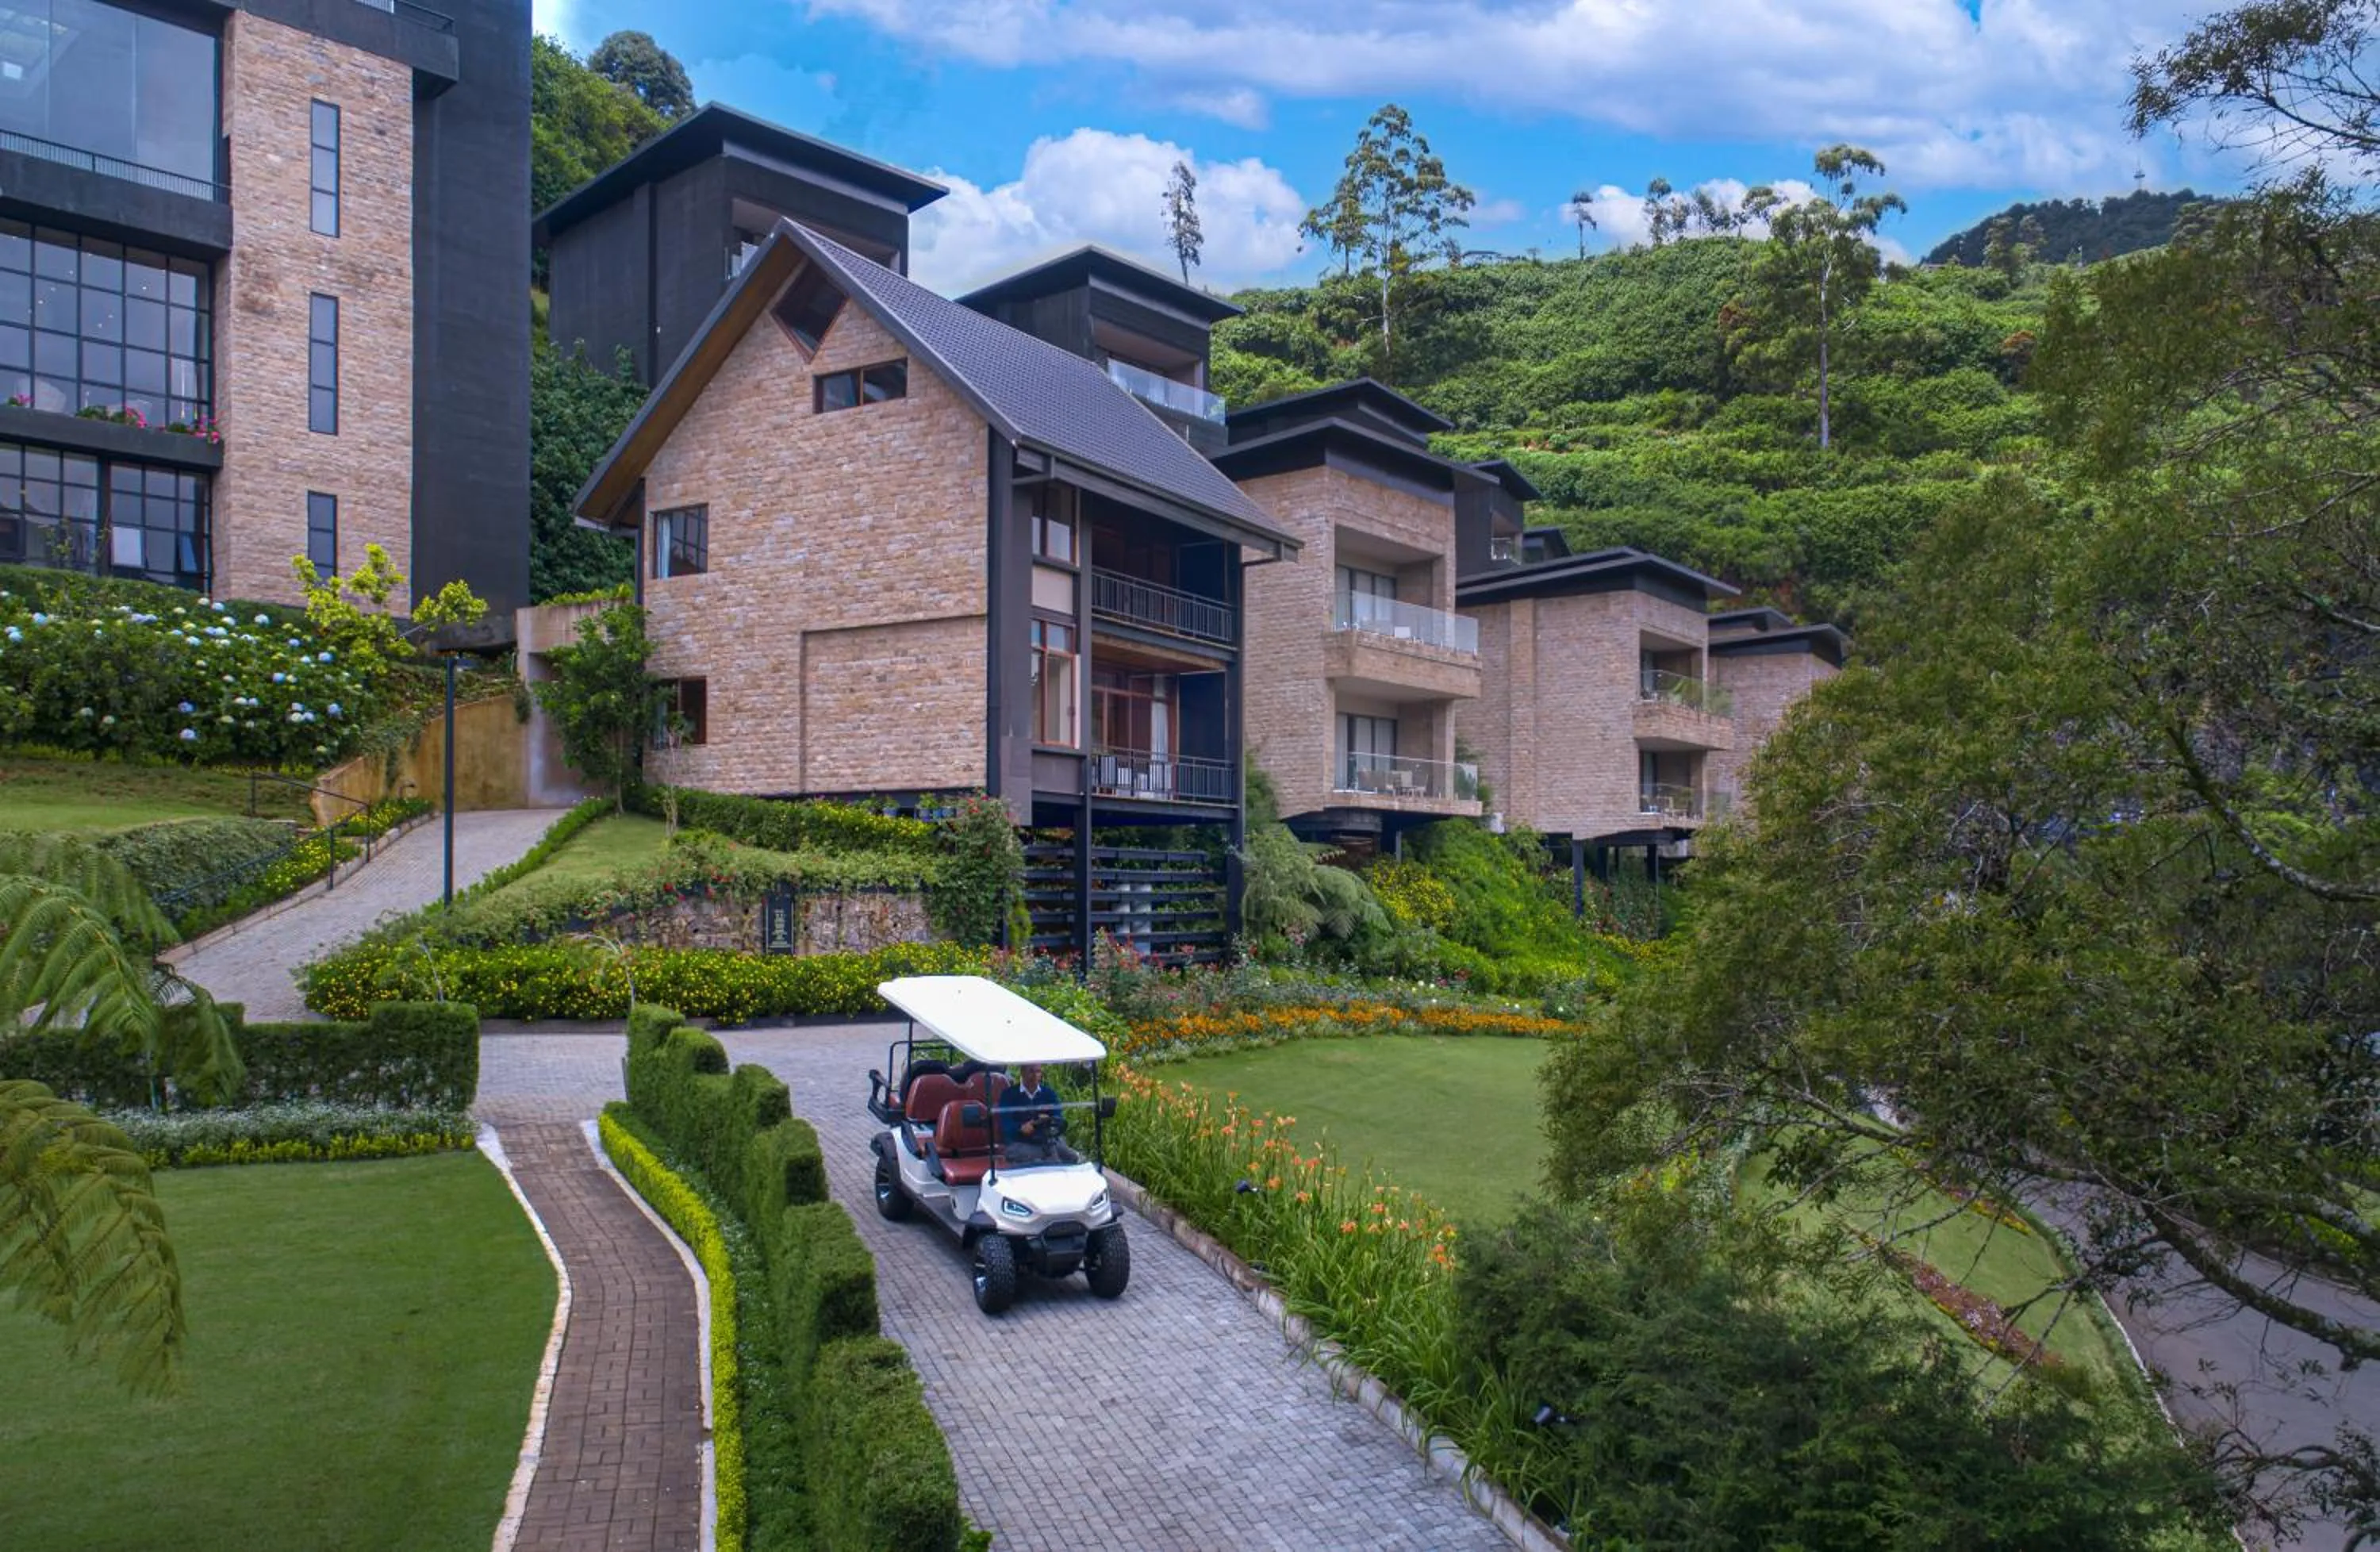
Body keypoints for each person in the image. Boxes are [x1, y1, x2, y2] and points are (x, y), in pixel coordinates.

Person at [996, 1062, 1064, 1162]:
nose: (1035, 1075)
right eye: (1031, 1072)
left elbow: (1058, 1117)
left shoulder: (1049, 1093)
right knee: (1056, 1153)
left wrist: (1049, 1121)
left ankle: (1056, 1156)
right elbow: (1006, 1125)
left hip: (1047, 1140)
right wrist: (1020, 1128)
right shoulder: (1008, 1095)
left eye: (1038, 1071)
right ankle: (1056, 1156)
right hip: (1019, 1143)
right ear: (1022, 1072)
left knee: (1063, 1151)